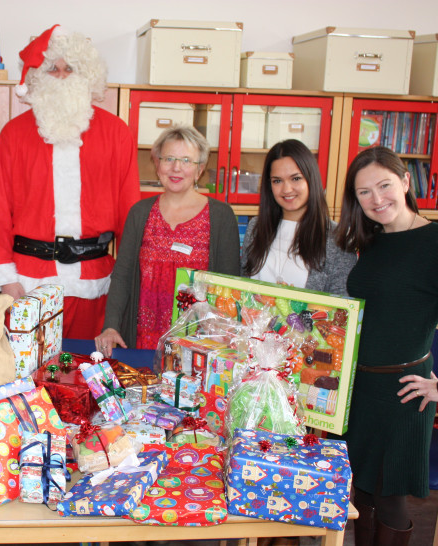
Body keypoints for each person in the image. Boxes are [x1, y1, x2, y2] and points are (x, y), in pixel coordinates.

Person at [0, 24, 140, 339]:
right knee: (27, 380)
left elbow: (130, 214)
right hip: (27, 283)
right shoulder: (14, 134)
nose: (61, 75)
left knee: (86, 375)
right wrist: (5, 280)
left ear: (86, 75)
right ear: (36, 76)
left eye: (70, 68)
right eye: (51, 68)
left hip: (95, 286)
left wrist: (125, 286)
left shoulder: (116, 133)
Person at [334, 146, 438, 545]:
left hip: (402, 394)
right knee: (359, 494)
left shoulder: (433, 242)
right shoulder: (371, 239)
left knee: (390, 500)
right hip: (359, 391)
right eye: (364, 192)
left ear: (406, 181)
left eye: (385, 185)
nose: (377, 199)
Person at [94, 125, 240, 356]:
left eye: (186, 160)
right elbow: (122, 275)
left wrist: (223, 337)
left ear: (200, 169)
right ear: (157, 164)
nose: (176, 168)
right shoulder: (140, 212)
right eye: (168, 158)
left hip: (198, 343)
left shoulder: (221, 216)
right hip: (142, 340)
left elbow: (229, 287)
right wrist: (111, 325)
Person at [241, 139, 356, 295]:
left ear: (311, 178)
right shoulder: (255, 227)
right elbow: (241, 287)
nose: (287, 189)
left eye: (296, 178)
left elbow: (341, 309)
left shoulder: (338, 238)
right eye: (277, 181)